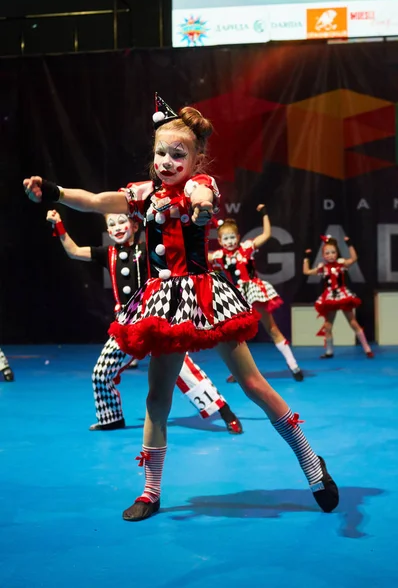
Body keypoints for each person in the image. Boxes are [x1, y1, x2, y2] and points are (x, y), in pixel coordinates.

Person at [24, 94, 339, 521]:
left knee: (253, 385)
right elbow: (96, 201)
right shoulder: (141, 194)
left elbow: (201, 200)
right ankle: (150, 492)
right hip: (164, 302)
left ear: (196, 158)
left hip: (206, 297)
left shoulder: (199, 186)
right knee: (157, 397)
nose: (167, 161)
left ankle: (310, 461)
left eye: (179, 154)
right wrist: (55, 193)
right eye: (160, 152)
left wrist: (202, 210)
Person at [46, 208, 243, 433]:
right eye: (112, 224)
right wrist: (59, 225)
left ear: (135, 226)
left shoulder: (147, 249)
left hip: (154, 320)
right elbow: (73, 251)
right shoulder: (107, 253)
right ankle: (111, 418)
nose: (118, 227)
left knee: (183, 370)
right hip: (126, 325)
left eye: (122, 222)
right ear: (107, 230)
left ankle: (225, 412)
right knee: (101, 372)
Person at [209, 213, 304, 382]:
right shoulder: (217, 256)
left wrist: (266, 214)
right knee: (235, 336)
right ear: (220, 240)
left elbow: (267, 234)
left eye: (232, 237)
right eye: (226, 238)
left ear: (238, 237)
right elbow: (199, 255)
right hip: (235, 297)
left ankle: (293, 365)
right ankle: (239, 371)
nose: (230, 241)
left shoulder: (246, 248)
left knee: (272, 329)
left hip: (253, 292)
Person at [303, 234, 374, 359]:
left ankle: (367, 349)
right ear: (323, 255)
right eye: (327, 253)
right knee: (328, 326)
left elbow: (354, 258)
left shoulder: (341, 264)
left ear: (337, 253)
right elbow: (306, 271)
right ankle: (329, 351)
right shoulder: (322, 268)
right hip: (330, 297)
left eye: (333, 252)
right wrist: (306, 257)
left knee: (353, 322)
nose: (330, 255)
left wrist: (350, 244)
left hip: (342, 295)